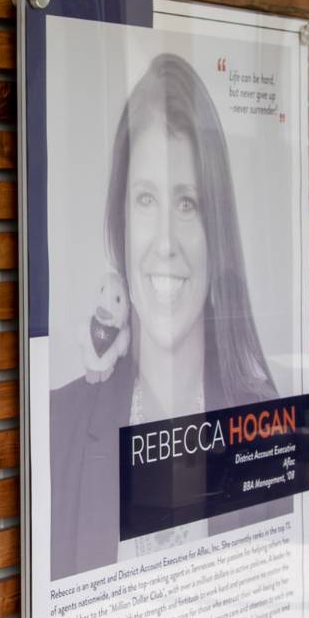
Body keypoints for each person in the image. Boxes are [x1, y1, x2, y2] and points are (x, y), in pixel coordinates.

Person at [48, 53, 284, 580]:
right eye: (145, 200)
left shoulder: (268, 428)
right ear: (120, 220)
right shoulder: (59, 427)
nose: (164, 244)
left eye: (188, 205)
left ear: (216, 226)